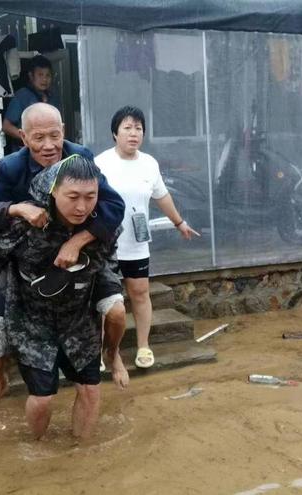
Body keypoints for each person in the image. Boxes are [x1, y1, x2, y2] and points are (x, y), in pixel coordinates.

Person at [0, 103, 129, 422]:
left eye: (55, 136)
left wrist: (78, 240)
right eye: (39, 138)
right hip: (28, 249)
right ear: (23, 137)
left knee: (115, 309)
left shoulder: (79, 157)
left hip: (83, 249)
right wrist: (17, 209)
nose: (49, 146)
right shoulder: (12, 167)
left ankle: (113, 355)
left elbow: (114, 206)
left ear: (64, 132)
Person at [96, 106, 199, 369]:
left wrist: (179, 222)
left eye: (138, 128)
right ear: (115, 133)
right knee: (103, 298)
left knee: (140, 293)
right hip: (106, 244)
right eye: (127, 128)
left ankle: (143, 346)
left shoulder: (149, 164)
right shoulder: (100, 163)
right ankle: (98, 352)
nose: (134, 133)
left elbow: (162, 196)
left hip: (136, 242)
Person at [2, 55, 60, 151]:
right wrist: (29, 139)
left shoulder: (52, 97)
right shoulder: (22, 96)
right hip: (25, 151)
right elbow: (6, 126)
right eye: (40, 75)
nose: (44, 79)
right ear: (31, 76)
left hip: (48, 149)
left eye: (48, 75)